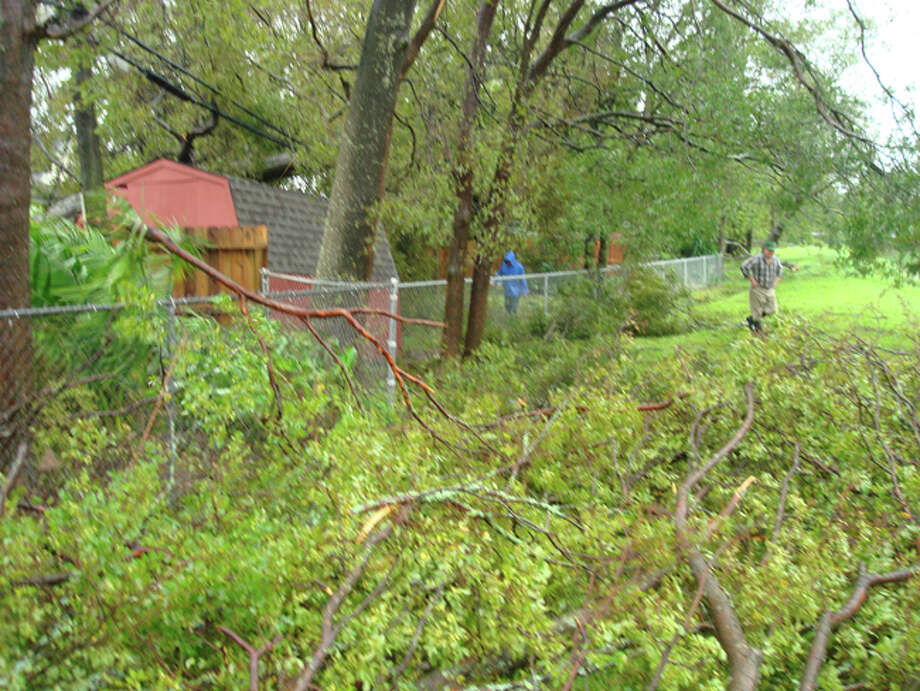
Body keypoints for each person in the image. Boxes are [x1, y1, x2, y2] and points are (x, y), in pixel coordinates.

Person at [740, 240, 782, 334]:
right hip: (757, 288)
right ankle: (759, 332)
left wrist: (775, 282)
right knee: (757, 312)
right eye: (769, 251)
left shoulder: (775, 259)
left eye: (773, 251)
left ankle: (751, 319)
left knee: (772, 309)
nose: (771, 253)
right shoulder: (757, 258)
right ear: (765, 250)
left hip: (769, 288)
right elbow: (744, 266)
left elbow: (780, 271)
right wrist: (752, 279)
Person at [495, 250, 528, 314]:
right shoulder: (504, 265)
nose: (508, 263)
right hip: (507, 290)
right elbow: (499, 274)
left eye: (509, 261)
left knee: (514, 306)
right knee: (507, 305)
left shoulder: (519, 267)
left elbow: (523, 280)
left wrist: (524, 291)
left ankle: (514, 317)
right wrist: (494, 281)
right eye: (507, 261)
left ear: (513, 260)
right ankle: (508, 316)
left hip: (516, 291)